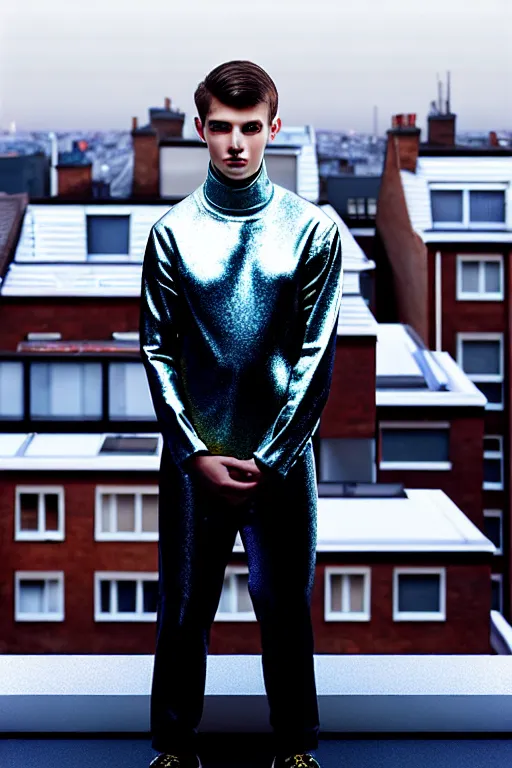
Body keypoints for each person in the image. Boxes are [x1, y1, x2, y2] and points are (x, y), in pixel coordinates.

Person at [139, 59, 343, 768]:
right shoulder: (170, 235)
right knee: (184, 611)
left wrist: (275, 457)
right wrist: (194, 452)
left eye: (249, 128)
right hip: (194, 465)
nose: (235, 143)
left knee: (285, 613)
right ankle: (171, 746)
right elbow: (157, 353)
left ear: (273, 129)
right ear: (201, 130)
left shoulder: (313, 231)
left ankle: (298, 748)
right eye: (221, 128)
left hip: (281, 467)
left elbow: (317, 359)